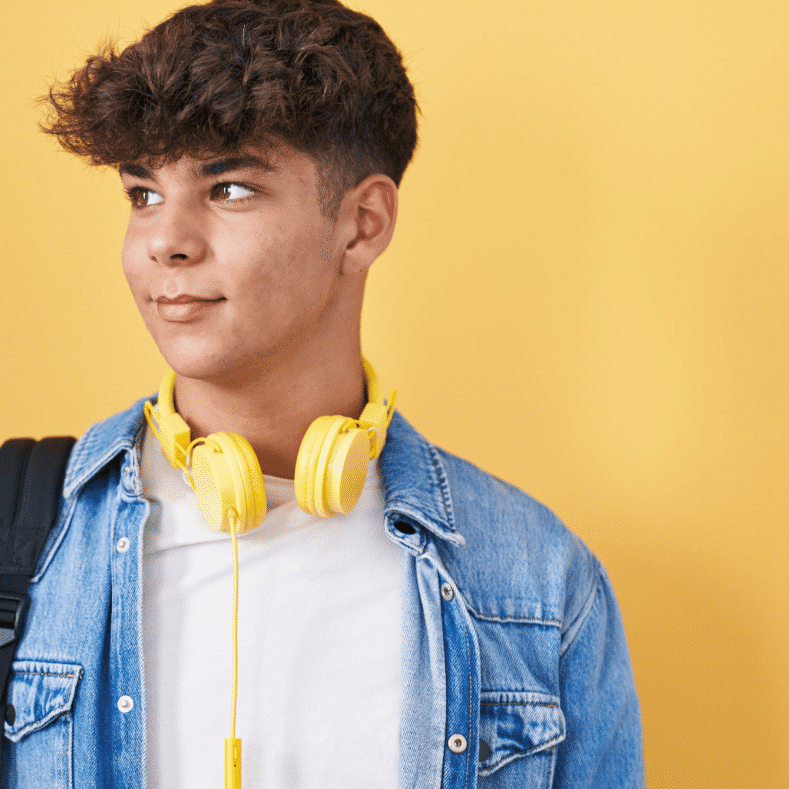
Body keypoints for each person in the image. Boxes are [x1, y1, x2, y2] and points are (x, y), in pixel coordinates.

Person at [1, 0, 646, 787]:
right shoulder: (21, 530)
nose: (164, 240)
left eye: (229, 188)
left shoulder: (540, 582)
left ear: (362, 223)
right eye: (142, 194)